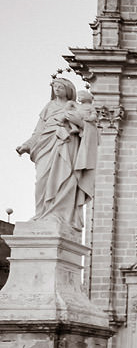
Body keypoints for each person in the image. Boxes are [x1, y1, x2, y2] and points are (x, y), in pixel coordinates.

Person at [16, 77, 97, 232]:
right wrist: (26, 145)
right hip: (46, 144)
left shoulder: (77, 108)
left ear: (68, 90)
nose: (57, 89)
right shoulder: (49, 106)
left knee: (65, 179)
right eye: (55, 86)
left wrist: (78, 123)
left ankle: (59, 215)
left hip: (67, 144)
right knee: (41, 180)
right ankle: (41, 213)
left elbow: (91, 130)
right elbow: (38, 131)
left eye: (60, 86)